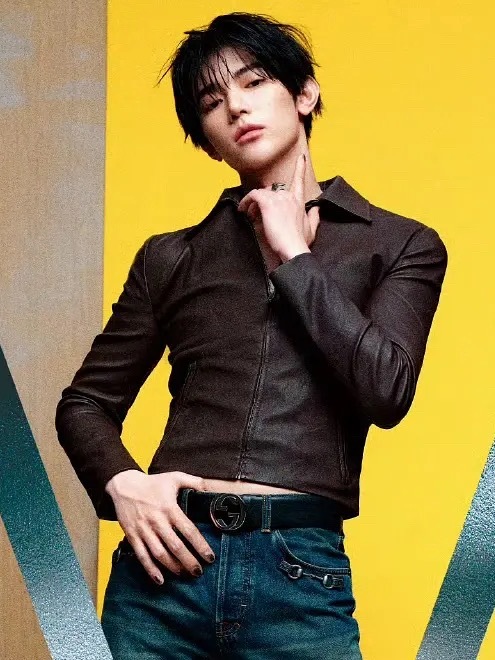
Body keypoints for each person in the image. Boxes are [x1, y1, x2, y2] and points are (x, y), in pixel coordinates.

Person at [55, 12, 447, 659]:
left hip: (301, 575)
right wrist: (121, 482)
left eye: (254, 81)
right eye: (211, 102)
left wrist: (294, 256)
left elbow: (387, 391)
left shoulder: (400, 244)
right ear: (207, 141)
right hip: (163, 572)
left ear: (305, 93)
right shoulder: (171, 256)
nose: (235, 106)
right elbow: (86, 402)